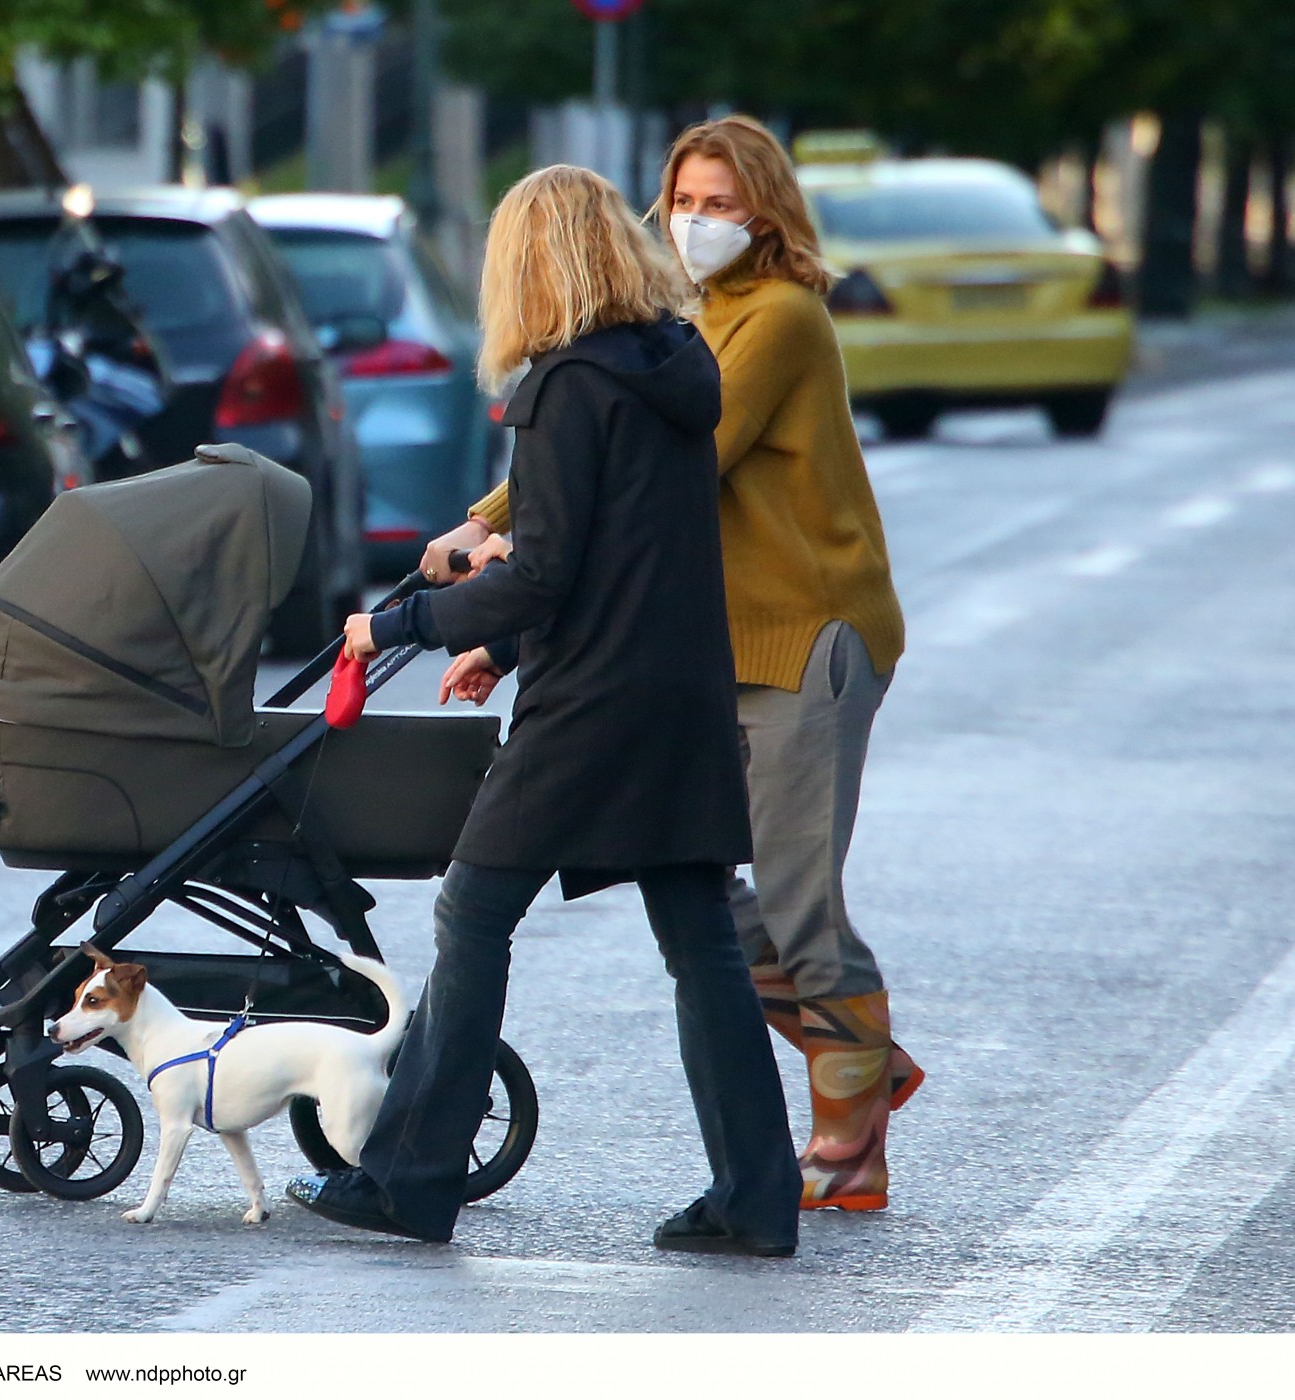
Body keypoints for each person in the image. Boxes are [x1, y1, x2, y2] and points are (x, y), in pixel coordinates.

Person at [285, 164, 803, 1256]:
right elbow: (627, 557)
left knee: (473, 911)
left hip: (593, 704)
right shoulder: (675, 364)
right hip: (676, 687)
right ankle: (756, 1195)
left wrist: (411, 621)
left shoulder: (567, 388)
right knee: (699, 937)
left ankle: (412, 1178)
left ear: (531, 263)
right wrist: (501, 646)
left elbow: (546, 570)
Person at [424, 116, 920, 1214]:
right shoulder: (682, 321)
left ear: (768, 214)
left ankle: (847, 1140)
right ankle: (855, 1059)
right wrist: (505, 616)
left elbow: (678, 455)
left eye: (720, 205)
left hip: (804, 631)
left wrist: (495, 523)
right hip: (699, 641)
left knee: (789, 902)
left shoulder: (778, 317)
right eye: (681, 203)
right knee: (706, 893)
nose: (695, 224)